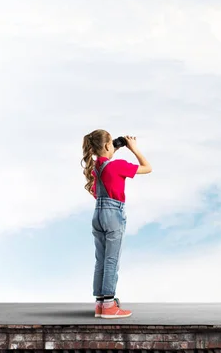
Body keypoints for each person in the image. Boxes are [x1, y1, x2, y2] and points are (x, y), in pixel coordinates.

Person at [81, 129, 152, 319]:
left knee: (101, 260)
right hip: (113, 214)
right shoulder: (118, 166)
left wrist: (112, 149)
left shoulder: (95, 167)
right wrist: (133, 148)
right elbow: (147, 167)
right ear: (106, 146)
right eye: (111, 143)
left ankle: (100, 304)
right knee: (112, 260)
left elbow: (97, 190)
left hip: (98, 213)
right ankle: (109, 306)